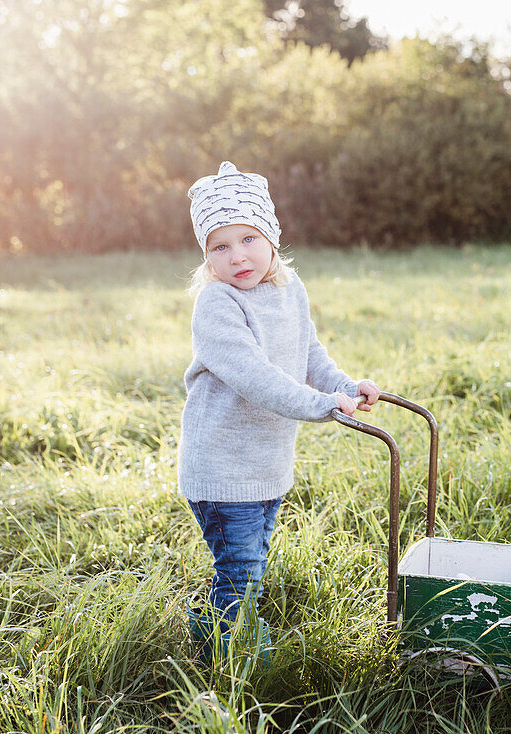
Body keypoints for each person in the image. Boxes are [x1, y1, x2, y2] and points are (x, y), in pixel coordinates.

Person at [179, 161, 380, 645]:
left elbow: (309, 353)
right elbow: (256, 378)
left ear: (271, 235)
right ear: (208, 258)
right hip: (223, 469)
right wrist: (321, 404)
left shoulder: (290, 291)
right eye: (220, 246)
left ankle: (211, 625)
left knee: (249, 558)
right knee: (241, 569)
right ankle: (237, 656)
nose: (237, 256)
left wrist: (347, 388)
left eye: (248, 238)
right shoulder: (218, 304)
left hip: (266, 462)